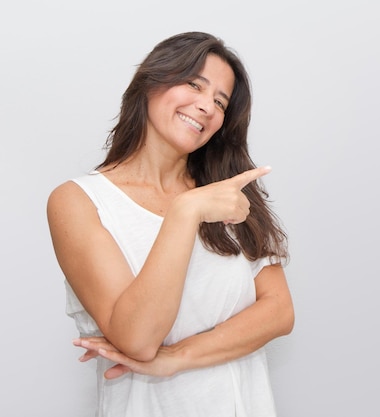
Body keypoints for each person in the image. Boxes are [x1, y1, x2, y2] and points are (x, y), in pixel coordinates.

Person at [46, 31, 294, 417]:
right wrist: (184, 211)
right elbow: (138, 339)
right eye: (194, 84)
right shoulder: (79, 201)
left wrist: (177, 357)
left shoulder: (231, 192)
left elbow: (279, 311)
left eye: (219, 101)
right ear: (150, 82)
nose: (206, 107)